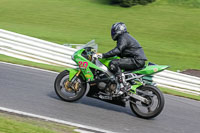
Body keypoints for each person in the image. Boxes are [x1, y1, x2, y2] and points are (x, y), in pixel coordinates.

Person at [97, 22, 147, 93]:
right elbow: (121, 52)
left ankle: (122, 86)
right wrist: (108, 55)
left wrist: (103, 55)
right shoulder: (125, 37)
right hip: (137, 59)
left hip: (136, 60)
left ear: (118, 30)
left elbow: (118, 50)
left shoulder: (123, 37)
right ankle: (124, 84)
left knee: (113, 63)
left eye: (113, 31)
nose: (112, 33)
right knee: (117, 62)